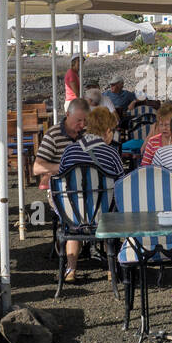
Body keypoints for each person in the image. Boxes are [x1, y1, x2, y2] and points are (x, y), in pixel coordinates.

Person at [55, 106, 123, 281]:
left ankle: (70, 269)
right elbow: (122, 185)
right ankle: (111, 268)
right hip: (103, 218)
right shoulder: (111, 153)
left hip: (74, 218)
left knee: (76, 208)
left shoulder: (69, 151)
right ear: (108, 131)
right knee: (112, 204)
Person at [33, 98, 89, 188]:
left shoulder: (88, 132)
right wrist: (65, 166)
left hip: (87, 184)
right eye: (79, 120)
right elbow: (37, 168)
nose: (82, 125)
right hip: (63, 187)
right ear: (68, 115)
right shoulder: (53, 135)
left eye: (85, 120)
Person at [139, 101, 172, 166]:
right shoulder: (152, 141)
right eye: (161, 124)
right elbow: (145, 166)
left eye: (167, 125)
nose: (164, 128)